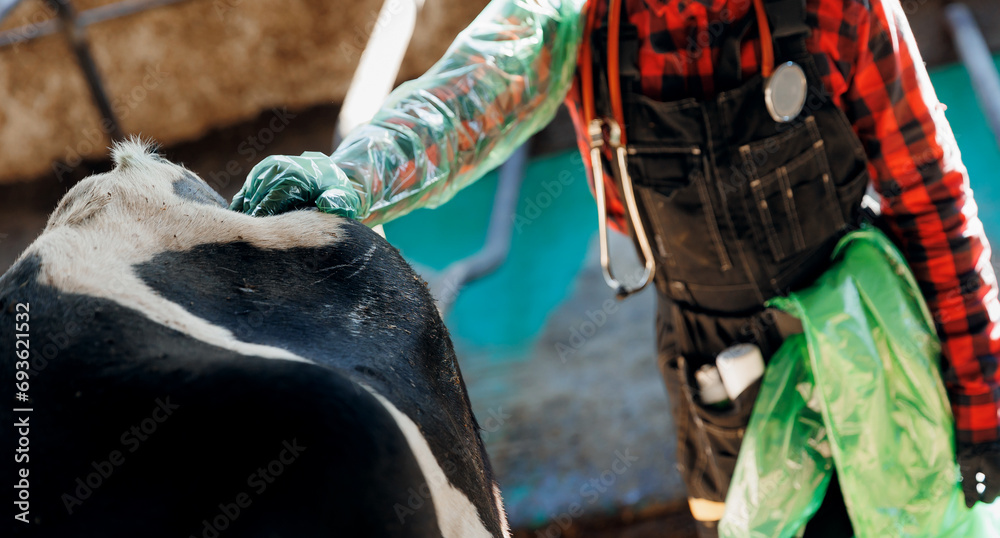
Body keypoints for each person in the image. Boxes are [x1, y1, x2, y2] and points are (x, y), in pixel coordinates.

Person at [231, 0, 1000, 534]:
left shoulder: (837, 11)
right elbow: (466, 99)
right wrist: (355, 175)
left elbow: (933, 198)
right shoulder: (578, 21)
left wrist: (982, 410)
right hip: (722, 378)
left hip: (874, 350)